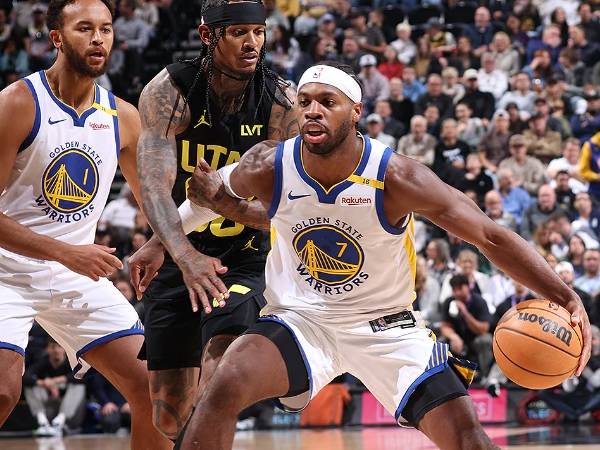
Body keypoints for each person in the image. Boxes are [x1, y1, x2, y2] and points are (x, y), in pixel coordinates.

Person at [174, 62, 590, 450]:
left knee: (469, 440)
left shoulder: (398, 176)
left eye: (327, 102)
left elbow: (490, 236)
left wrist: (565, 296)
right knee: (223, 385)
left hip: (388, 329)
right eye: (305, 102)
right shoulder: (270, 163)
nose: (313, 111)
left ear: (356, 111)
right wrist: (159, 247)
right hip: (304, 319)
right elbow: (210, 195)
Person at [0, 1, 169, 449]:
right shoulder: (17, 103)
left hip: (73, 274)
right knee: (2, 391)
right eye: (85, 29)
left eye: (107, 29)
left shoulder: (123, 117)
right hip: (5, 271)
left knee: (157, 389)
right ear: (57, 38)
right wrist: (65, 251)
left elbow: (155, 203)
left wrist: (168, 246)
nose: (98, 39)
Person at [129, 0, 299, 441]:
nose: (252, 43)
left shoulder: (281, 102)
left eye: (259, 33)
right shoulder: (169, 92)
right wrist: (178, 251)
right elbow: (152, 186)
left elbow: (289, 212)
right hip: (181, 255)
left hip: (244, 258)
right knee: (168, 416)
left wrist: (226, 205)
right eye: (239, 32)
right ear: (209, 37)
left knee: (221, 369)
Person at [23, 338, 86, 436]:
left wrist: (54, 381)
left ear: (64, 349)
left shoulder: (72, 362)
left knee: (78, 386)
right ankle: (42, 422)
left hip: (69, 411)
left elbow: (83, 378)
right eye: (53, 347)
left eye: (59, 347)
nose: (56, 350)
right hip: (48, 407)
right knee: (30, 386)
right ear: (48, 349)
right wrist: (44, 383)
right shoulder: (43, 362)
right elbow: (25, 377)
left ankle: (59, 423)